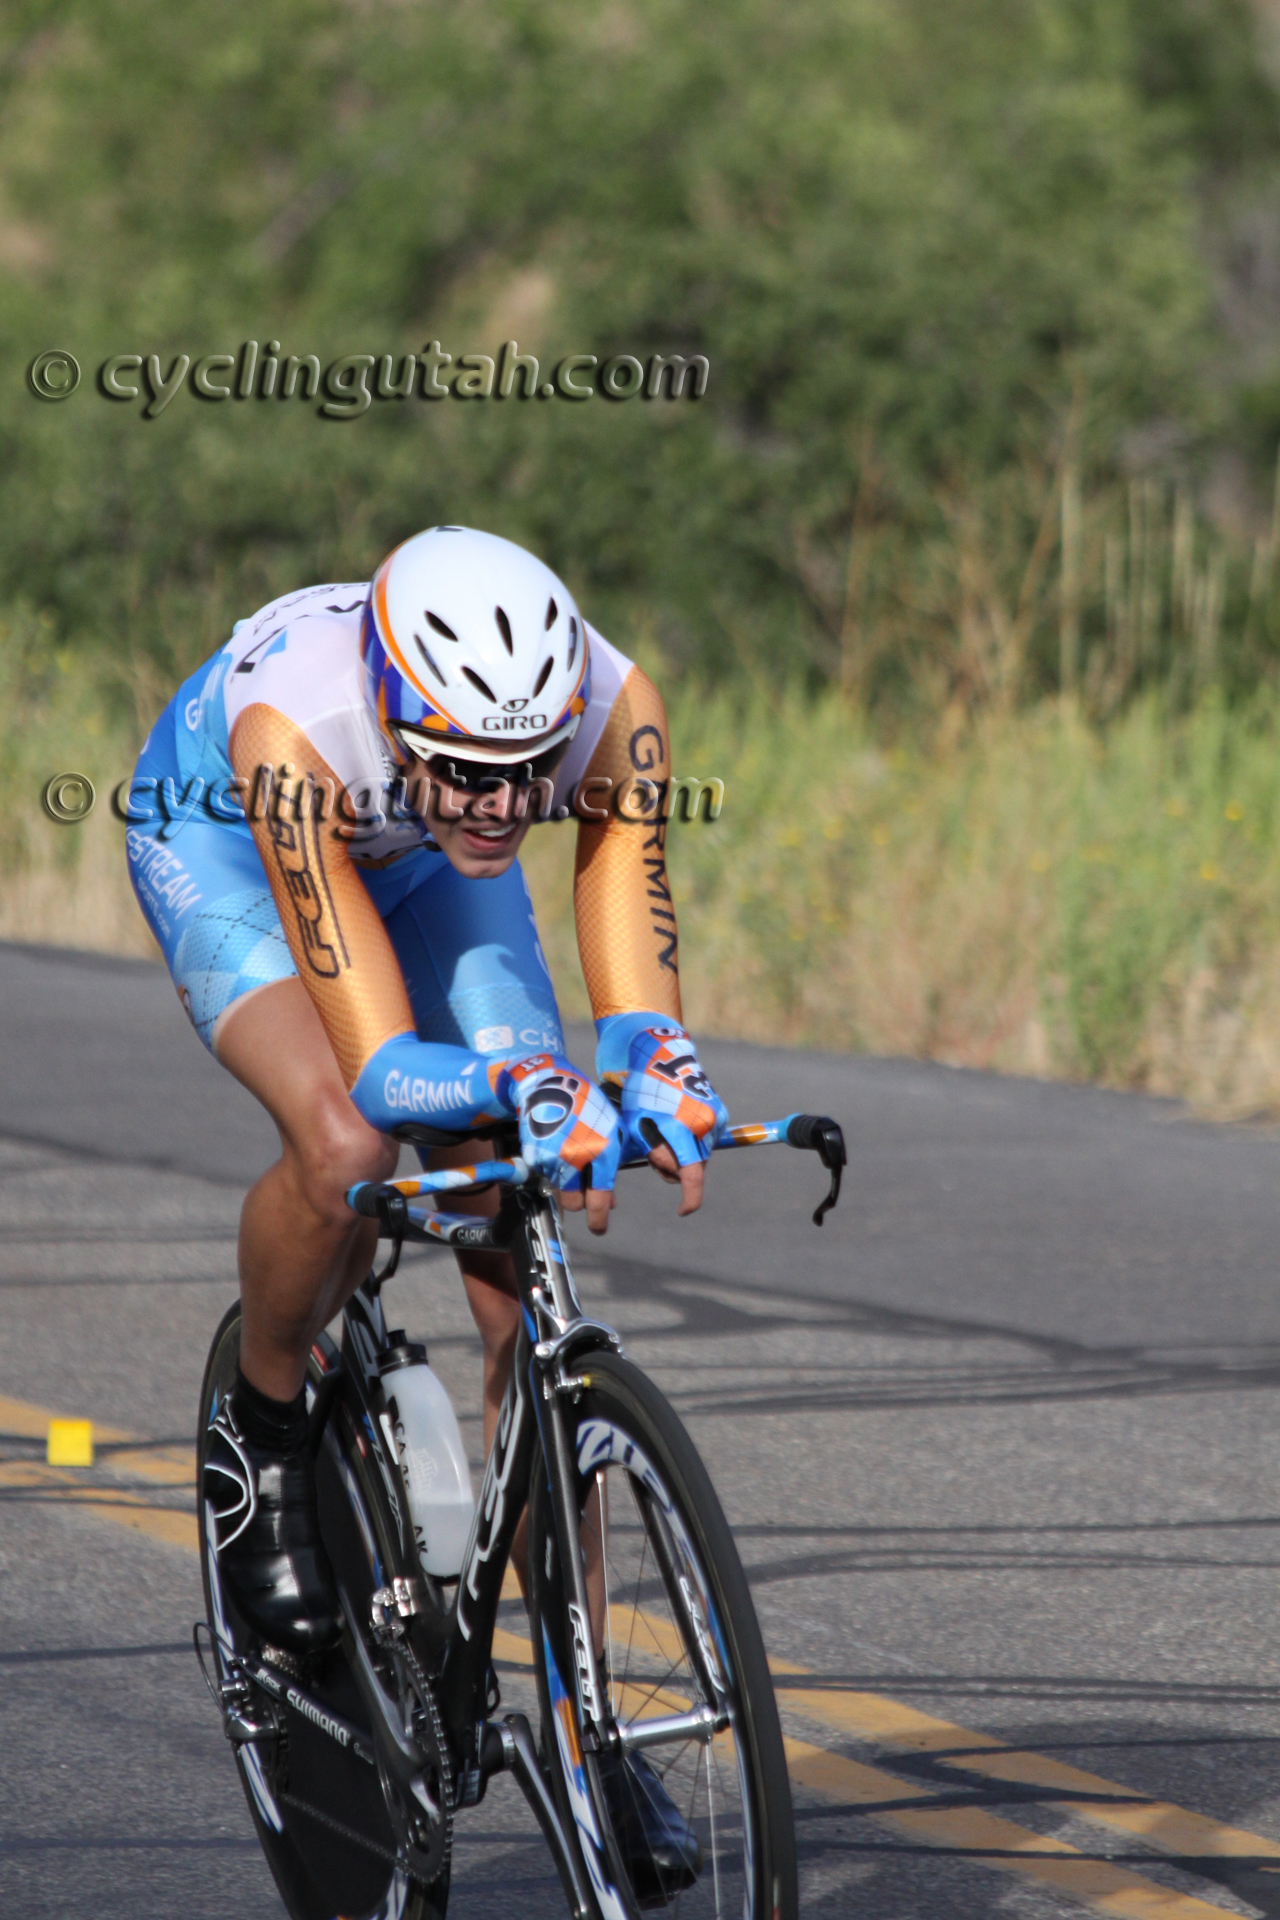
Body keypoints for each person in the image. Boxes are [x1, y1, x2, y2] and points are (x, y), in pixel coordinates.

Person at [125, 525, 727, 1884]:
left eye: (526, 771)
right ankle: (264, 1432)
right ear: (396, 713)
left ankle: (584, 1719)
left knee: (521, 1240)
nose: (500, 805)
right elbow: (386, 1069)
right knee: (348, 1147)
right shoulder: (297, 726)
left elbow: (626, 910)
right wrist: (525, 1080)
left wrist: (656, 1060)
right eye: (463, 767)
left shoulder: (614, 705)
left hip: (408, 862)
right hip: (231, 844)